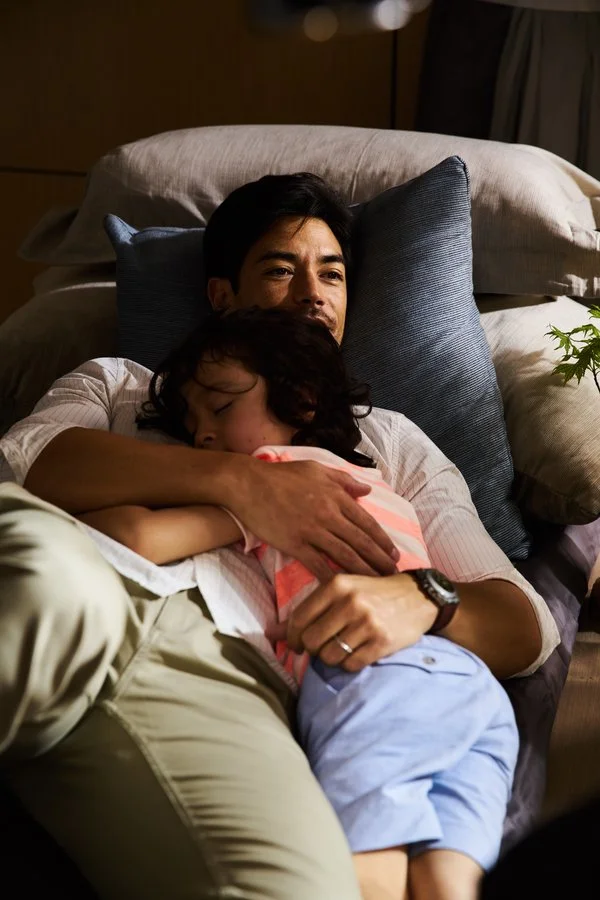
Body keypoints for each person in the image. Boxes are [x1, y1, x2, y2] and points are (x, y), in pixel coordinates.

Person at [0, 172, 559, 900]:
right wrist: (243, 485)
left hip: (232, 678)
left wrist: (422, 598)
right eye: (279, 269)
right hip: (84, 577)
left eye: (332, 273)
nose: (313, 293)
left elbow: (526, 625)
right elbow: (27, 467)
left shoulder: (385, 441)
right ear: (221, 296)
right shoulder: (121, 385)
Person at [78, 305, 521, 900]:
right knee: (450, 881)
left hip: (369, 675)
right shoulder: (373, 480)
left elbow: (133, 538)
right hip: (466, 677)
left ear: (302, 402)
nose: (202, 432)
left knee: (370, 875)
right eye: (191, 417)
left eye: (223, 405)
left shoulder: (278, 484)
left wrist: (211, 498)